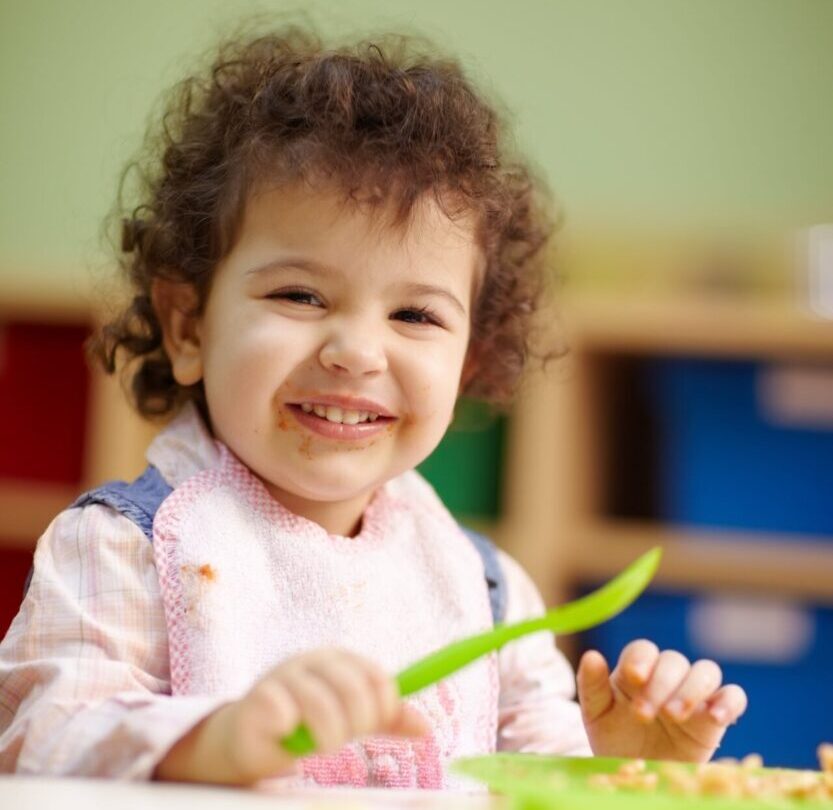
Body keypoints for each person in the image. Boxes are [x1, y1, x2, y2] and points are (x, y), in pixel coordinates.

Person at [0, 26, 746, 789]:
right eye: (299, 295)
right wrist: (213, 740)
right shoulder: (122, 550)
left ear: (468, 365)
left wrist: (622, 766)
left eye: (415, 316)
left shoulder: (484, 592)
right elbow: (40, 738)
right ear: (189, 325)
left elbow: (529, 781)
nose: (356, 351)